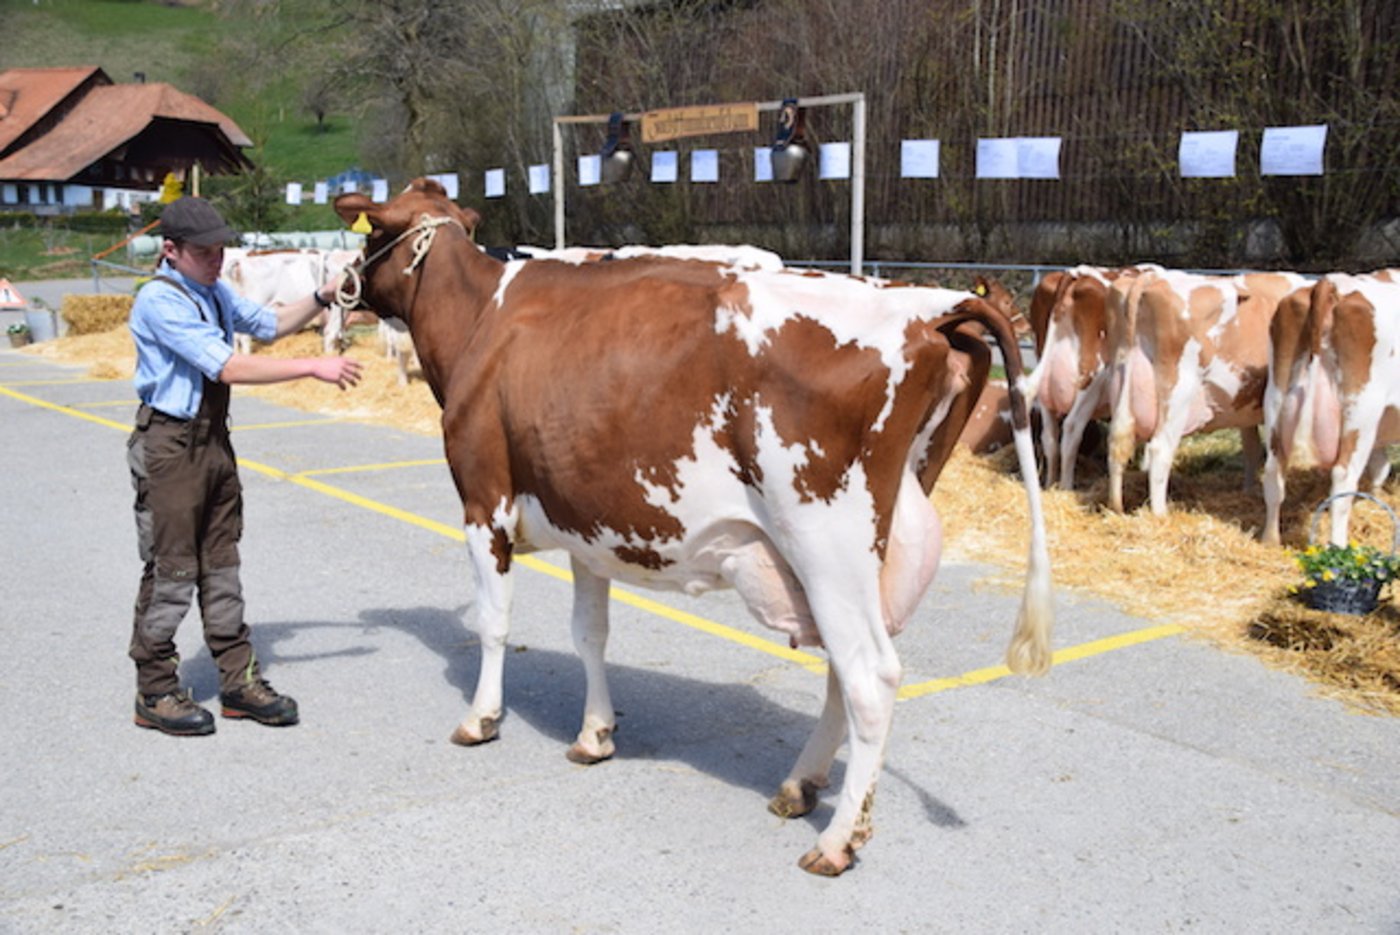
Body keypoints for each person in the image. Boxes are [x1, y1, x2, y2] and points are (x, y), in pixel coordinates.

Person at [126, 196, 363, 736]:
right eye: (205, 251)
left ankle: (238, 681)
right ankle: (156, 689)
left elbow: (272, 323)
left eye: (221, 248)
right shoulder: (159, 302)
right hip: (171, 447)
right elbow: (228, 366)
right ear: (171, 250)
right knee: (172, 570)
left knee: (222, 564)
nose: (217, 259)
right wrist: (314, 366)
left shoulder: (210, 291)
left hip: (212, 444)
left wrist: (325, 294)